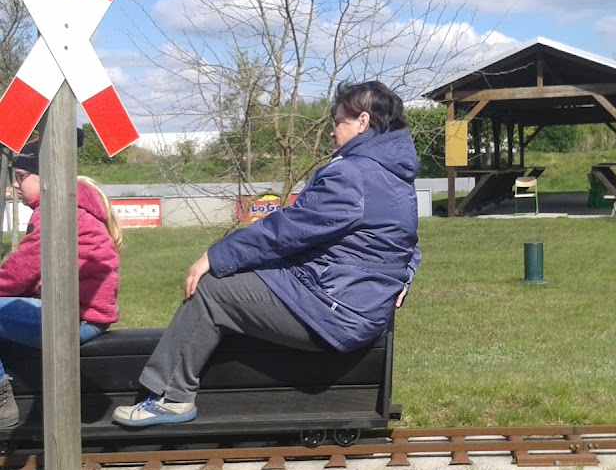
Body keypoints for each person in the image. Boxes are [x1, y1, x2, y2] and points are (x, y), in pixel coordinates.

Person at [113, 80, 420, 428]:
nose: (332, 133)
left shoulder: (353, 173)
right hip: (355, 302)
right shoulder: (395, 175)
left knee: (213, 289)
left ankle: (170, 398)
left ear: (363, 121)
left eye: (337, 122)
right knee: (243, 283)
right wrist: (404, 276)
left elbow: (287, 231)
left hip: (334, 307)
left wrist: (215, 256)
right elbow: (407, 240)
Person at [0, 136, 122, 428]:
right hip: (77, 313)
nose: (16, 185)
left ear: (46, 177)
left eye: (20, 177)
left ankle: (2, 403)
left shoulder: (56, 211)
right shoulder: (70, 207)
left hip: (74, 319)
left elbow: (22, 270)